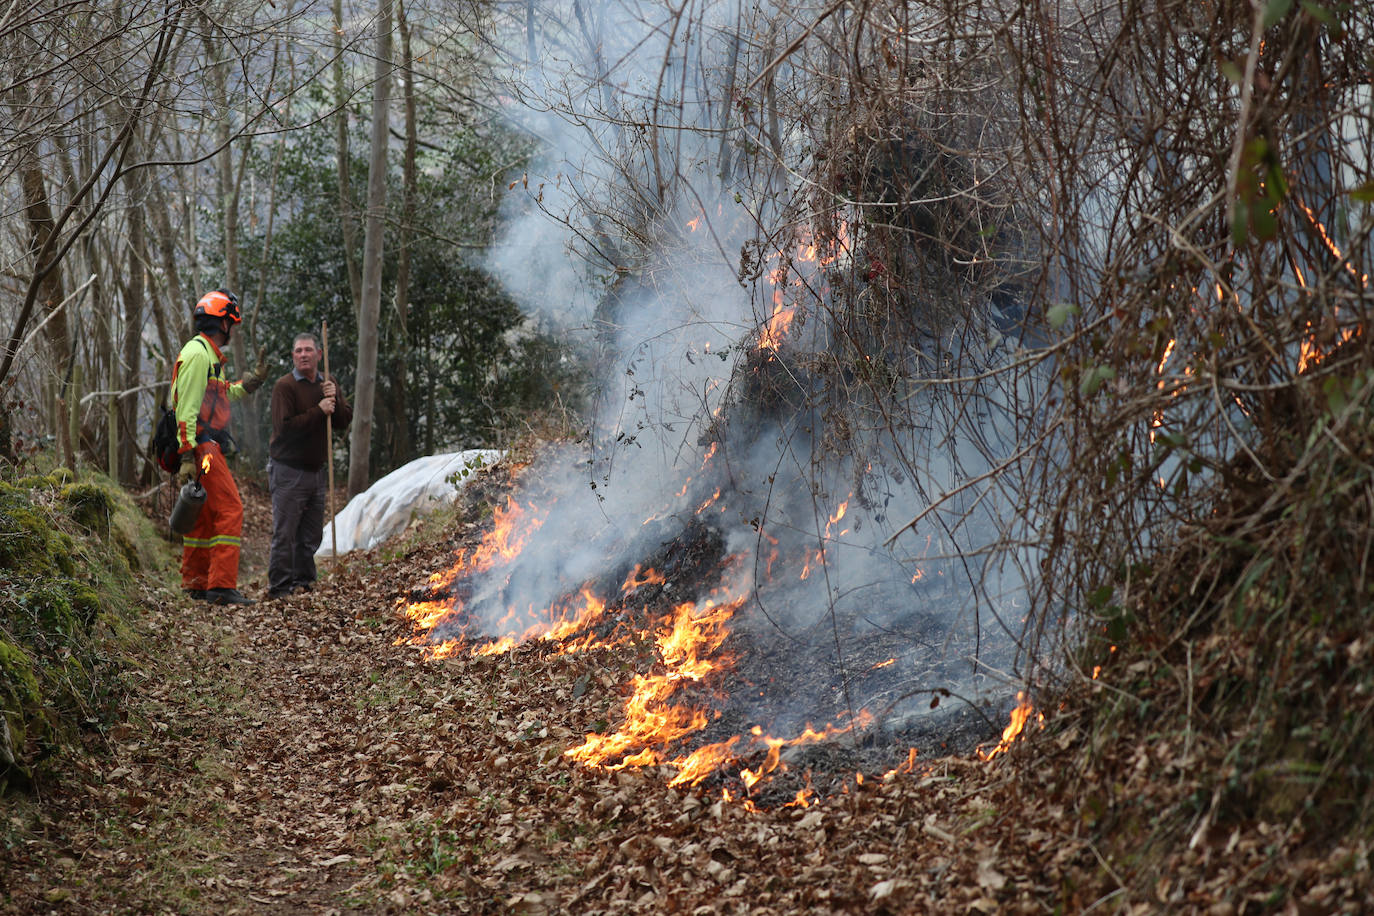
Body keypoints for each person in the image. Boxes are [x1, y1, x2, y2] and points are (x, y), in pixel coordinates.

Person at [172, 289, 268, 605]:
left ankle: (197, 582)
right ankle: (222, 586)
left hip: (201, 445)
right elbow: (185, 408)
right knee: (230, 508)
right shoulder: (199, 355)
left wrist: (250, 382)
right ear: (222, 323)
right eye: (231, 323)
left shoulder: (208, 355)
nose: (232, 330)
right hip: (202, 447)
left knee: (203, 515)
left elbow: (222, 393)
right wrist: (187, 453)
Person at [266, 331, 352, 599]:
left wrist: (334, 398)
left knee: (311, 534)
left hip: (315, 472)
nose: (303, 355)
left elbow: (343, 421)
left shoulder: (328, 382)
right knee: (286, 532)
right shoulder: (285, 386)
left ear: (319, 354)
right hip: (288, 470)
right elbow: (285, 428)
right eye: (298, 351)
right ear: (293, 356)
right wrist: (319, 410)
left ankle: (303, 581)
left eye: (308, 350)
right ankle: (280, 587)